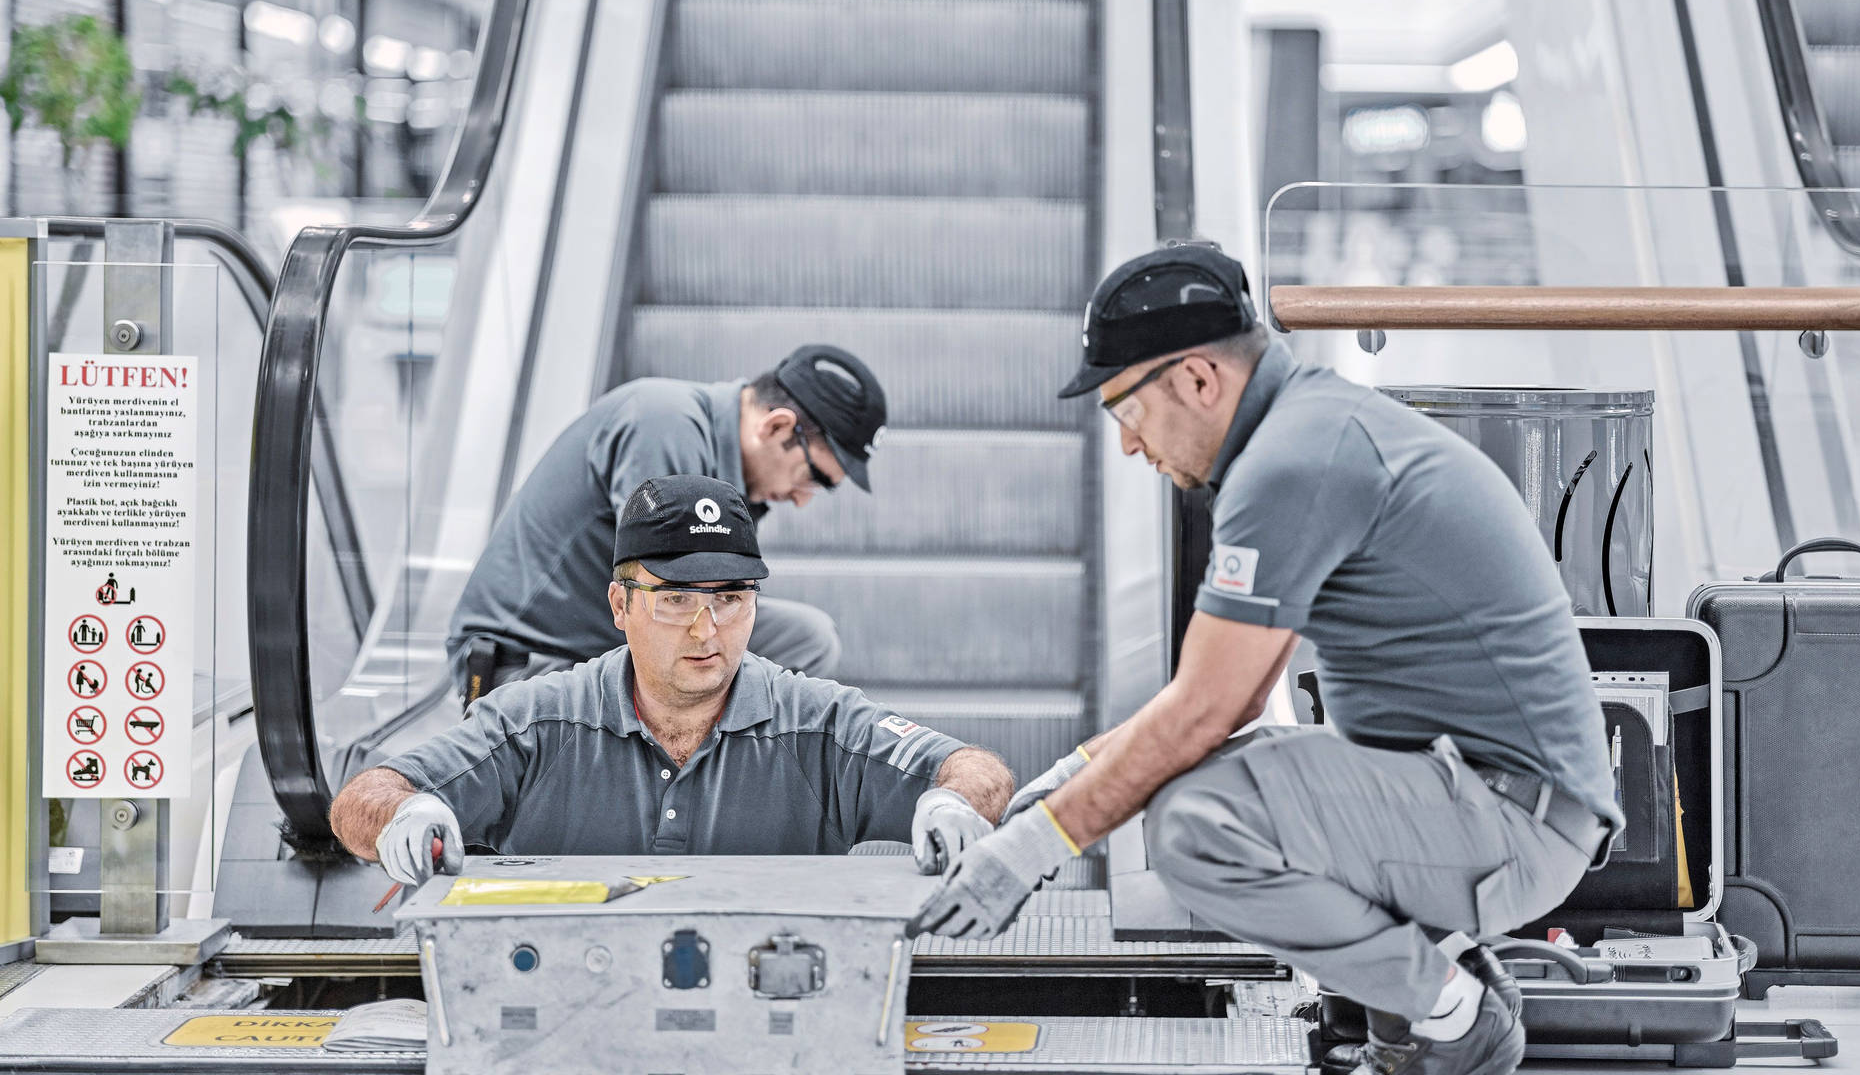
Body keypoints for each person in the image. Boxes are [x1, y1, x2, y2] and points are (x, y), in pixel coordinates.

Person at [910, 245, 1623, 1075]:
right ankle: (1432, 992)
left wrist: (1030, 852)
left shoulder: (1292, 464)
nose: (1131, 449)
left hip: (1508, 821)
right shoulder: (1309, 430)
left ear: (1198, 380)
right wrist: (1050, 790)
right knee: (1202, 780)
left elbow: (1205, 712)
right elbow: (1234, 703)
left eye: (1126, 413)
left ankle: (1454, 1017)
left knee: (1194, 828)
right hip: (1485, 796)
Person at [333, 475, 1012, 883]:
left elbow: (972, 768)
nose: (707, 629)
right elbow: (364, 796)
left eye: (730, 599)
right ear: (620, 605)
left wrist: (954, 804)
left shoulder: (818, 724)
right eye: (677, 600)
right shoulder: (538, 722)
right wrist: (402, 814)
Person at [448, 344, 888, 698]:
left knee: (805, 640)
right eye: (815, 479)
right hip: (529, 666)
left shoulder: (721, 471)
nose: (802, 499)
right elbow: (669, 603)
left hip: (606, 646)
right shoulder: (664, 426)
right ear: (775, 427)